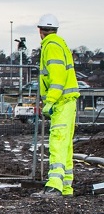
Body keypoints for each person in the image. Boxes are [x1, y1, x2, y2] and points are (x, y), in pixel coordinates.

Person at [32, 14, 80, 198]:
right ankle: (66, 187)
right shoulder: (60, 44)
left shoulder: (51, 46)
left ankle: (54, 186)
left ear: (40, 31)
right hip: (68, 102)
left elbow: (57, 77)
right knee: (66, 145)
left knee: (57, 142)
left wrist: (50, 100)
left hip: (61, 102)